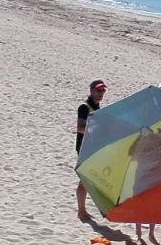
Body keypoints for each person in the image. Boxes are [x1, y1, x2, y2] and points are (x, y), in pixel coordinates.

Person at [129, 83, 161, 245]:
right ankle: (140, 233)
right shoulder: (153, 113)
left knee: (153, 201)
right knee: (141, 199)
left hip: (157, 168)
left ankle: (149, 232)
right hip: (147, 164)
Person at [75, 79, 107, 221]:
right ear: (91, 90)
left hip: (93, 147)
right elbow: (79, 128)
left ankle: (83, 210)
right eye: (98, 90)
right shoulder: (84, 107)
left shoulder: (96, 107)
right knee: (85, 180)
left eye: (103, 91)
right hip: (85, 147)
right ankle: (81, 211)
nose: (101, 93)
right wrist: (97, 129)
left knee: (89, 179)